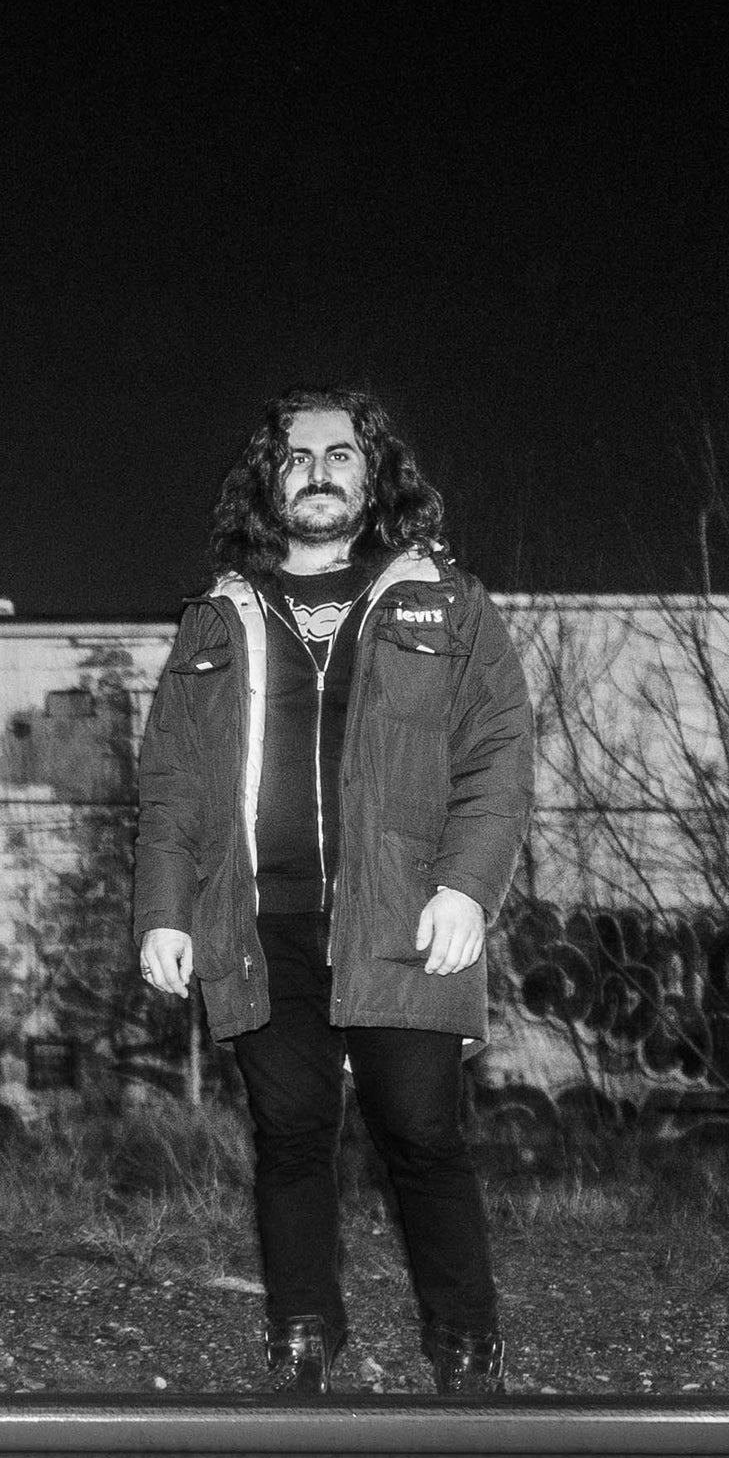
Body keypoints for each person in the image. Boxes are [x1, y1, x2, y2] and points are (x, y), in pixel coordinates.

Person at [133, 389, 534, 1393]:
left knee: (421, 1132)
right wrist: (162, 911)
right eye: (295, 455)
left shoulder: (444, 603)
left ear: (372, 474)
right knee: (289, 1137)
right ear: (268, 482)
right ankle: (303, 1334)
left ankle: (466, 1343)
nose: (317, 470)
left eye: (339, 454)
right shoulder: (215, 618)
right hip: (258, 924)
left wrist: (466, 888)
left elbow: (498, 755)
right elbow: (172, 780)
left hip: (400, 916)